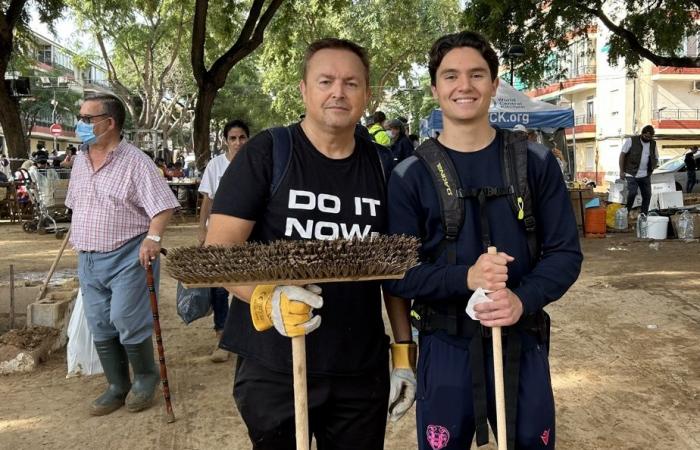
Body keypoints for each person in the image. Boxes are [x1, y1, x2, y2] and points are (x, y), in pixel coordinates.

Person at [205, 38, 408, 449]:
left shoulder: (385, 168)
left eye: (351, 83)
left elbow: (395, 272)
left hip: (358, 369)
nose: (338, 91)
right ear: (303, 90)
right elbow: (218, 251)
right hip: (274, 366)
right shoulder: (267, 152)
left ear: (367, 94)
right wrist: (265, 298)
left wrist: (404, 354)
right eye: (326, 81)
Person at [384, 31, 582, 450]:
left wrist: (522, 299)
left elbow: (565, 254)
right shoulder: (409, 177)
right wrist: (465, 277)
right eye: (451, 75)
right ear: (435, 87)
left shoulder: (536, 163)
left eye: (477, 75)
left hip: (522, 342)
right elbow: (398, 275)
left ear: (494, 84)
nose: (464, 86)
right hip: (445, 348)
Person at [65, 94, 179, 416]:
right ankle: (117, 385)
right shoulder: (80, 160)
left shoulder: (135, 161)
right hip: (88, 257)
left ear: (109, 123)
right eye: (81, 117)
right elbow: (78, 204)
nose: (81, 125)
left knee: (126, 318)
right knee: (100, 322)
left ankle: (145, 376)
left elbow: (163, 205)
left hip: (128, 255)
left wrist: (153, 238)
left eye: (87, 119)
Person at [197, 118, 250, 362]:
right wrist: (202, 231)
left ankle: (247, 339)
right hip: (219, 235)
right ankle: (222, 338)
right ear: (225, 141)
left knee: (248, 285)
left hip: (249, 236)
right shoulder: (215, 166)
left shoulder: (256, 163)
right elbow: (207, 200)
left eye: (242, 137)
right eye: (233, 138)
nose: (238, 142)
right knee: (220, 286)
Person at [619, 125, 658, 214]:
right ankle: (626, 212)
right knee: (632, 193)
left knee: (647, 195)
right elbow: (622, 155)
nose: (647, 138)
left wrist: (651, 169)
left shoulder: (653, 144)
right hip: (631, 173)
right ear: (642, 134)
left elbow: (656, 158)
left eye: (649, 137)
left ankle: (644, 215)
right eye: (645, 136)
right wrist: (621, 171)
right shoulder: (631, 140)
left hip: (645, 175)